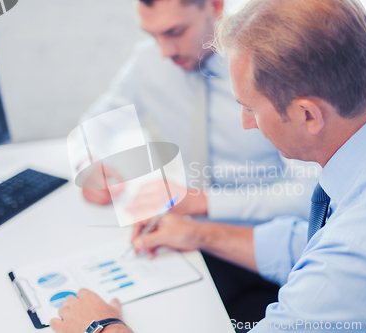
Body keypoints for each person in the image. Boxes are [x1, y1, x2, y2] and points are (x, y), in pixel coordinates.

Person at [51, 0, 366, 332]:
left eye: (250, 108)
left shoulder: (352, 263)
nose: (246, 123)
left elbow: (336, 258)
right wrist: (199, 234)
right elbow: (306, 243)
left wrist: (100, 327)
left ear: (307, 115)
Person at [72, 0, 318, 325]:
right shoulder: (148, 63)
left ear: (215, 6)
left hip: (276, 253)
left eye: (175, 31)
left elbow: (309, 195)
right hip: (192, 240)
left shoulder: (274, 64)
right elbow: (93, 127)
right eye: (153, 35)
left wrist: (202, 201)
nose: (164, 51)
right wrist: (87, 166)